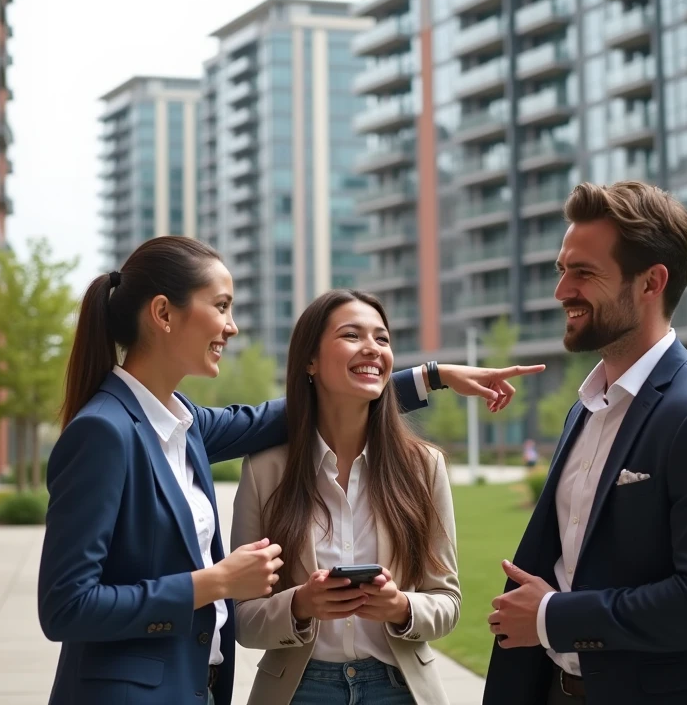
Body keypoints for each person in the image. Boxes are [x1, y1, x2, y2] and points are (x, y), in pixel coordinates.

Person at [36, 236, 536, 705]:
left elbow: (310, 403)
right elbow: (66, 606)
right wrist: (216, 583)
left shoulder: (184, 426)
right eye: (222, 306)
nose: (231, 327)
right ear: (164, 313)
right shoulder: (103, 431)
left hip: (194, 687)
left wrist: (433, 376)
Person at [484, 182, 687, 705]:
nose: (562, 290)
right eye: (561, 270)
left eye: (584, 272)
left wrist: (552, 618)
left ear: (651, 283)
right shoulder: (584, 408)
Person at [232, 289, 544, 705]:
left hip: (399, 690)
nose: (373, 349)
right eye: (352, 335)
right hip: (297, 691)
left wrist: (400, 608)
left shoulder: (424, 466)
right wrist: (300, 604)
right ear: (310, 360)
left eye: (382, 339)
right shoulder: (264, 471)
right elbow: (243, 619)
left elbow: (447, 600)